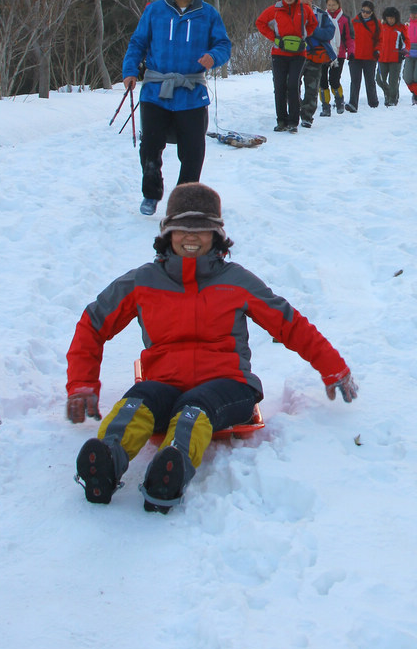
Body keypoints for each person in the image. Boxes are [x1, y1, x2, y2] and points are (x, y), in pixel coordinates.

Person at [68, 183, 358, 511]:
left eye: (202, 230)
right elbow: (93, 323)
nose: (191, 238)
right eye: (182, 229)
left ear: (216, 235)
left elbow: (290, 324)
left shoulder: (236, 280)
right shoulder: (143, 281)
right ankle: (105, 460)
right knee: (138, 403)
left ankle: (171, 470)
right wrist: (82, 384)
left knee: (195, 407)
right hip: (164, 383)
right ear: (167, 233)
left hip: (228, 386)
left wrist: (333, 367)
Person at [122, 0, 232, 216]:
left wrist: (213, 56)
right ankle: (151, 193)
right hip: (155, 91)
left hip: (192, 93)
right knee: (150, 145)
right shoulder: (154, 11)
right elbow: (137, 43)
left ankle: (184, 199)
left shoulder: (208, 14)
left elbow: (224, 45)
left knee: (193, 151)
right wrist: (129, 71)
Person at [256, 0, 318, 132]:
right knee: (279, 86)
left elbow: (313, 24)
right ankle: (281, 120)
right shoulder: (275, 9)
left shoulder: (304, 9)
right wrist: (275, 39)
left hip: (299, 53)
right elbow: (260, 23)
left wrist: (303, 37)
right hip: (279, 53)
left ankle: (293, 121)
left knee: (293, 85)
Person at [298, 0, 337, 127]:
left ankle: (307, 116)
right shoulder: (291, 13)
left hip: (315, 55)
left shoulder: (321, 15)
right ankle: (296, 109)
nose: (300, 0)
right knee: (292, 85)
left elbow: (329, 33)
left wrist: (312, 29)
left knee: (312, 88)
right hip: (296, 55)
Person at [345, 0, 380, 112]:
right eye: (363, 11)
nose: (364, 13)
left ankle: (373, 102)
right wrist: (349, 51)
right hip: (355, 56)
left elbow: (380, 40)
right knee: (355, 80)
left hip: (370, 56)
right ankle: (353, 104)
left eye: (367, 12)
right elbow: (348, 38)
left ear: (372, 12)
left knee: (370, 80)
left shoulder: (376, 24)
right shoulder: (354, 22)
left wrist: (377, 50)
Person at [323, 0, 354, 114]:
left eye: (334, 5)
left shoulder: (344, 19)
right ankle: (325, 105)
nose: (331, 7)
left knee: (334, 80)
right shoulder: (322, 17)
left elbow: (349, 37)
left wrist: (351, 51)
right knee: (322, 80)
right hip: (324, 53)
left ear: (338, 5)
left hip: (338, 54)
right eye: (329, 5)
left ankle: (339, 99)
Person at [376, 7, 408, 107]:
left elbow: (406, 41)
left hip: (396, 58)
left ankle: (392, 99)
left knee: (393, 81)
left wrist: (404, 50)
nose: (390, 20)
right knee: (380, 80)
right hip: (382, 57)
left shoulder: (401, 27)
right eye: (388, 18)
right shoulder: (381, 27)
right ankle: (388, 93)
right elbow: (377, 40)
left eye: (392, 18)